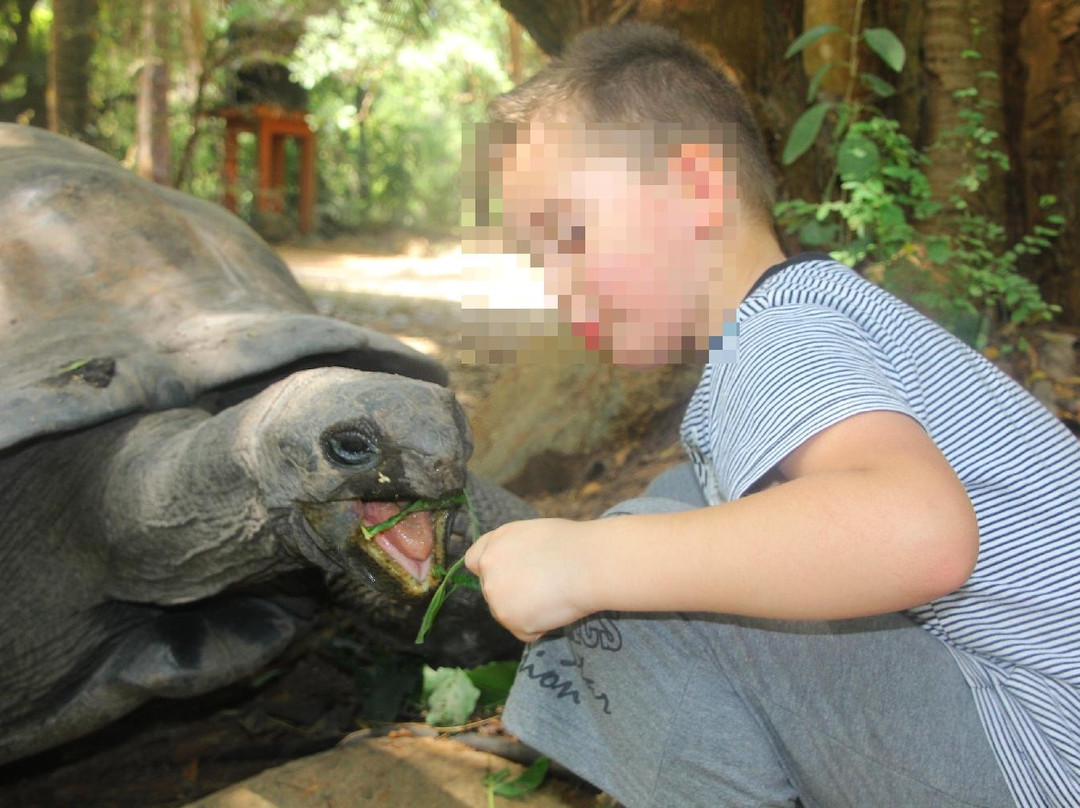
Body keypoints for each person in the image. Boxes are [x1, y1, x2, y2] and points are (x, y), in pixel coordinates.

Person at [462, 22, 1080, 808]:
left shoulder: (777, 331)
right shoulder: (814, 309)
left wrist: (589, 563)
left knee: (621, 571)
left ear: (696, 188)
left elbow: (919, 531)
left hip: (1044, 754)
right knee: (678, 507)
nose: (556, 283)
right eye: (538, 258)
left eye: (570, 236)